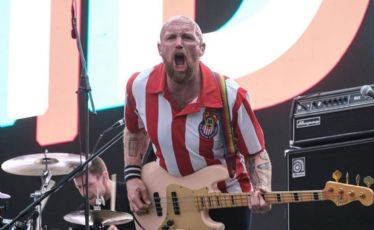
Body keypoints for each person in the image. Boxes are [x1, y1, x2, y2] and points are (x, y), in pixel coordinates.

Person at [123, 15, 272, 229]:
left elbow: (255, 153)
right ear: (160, 48)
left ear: (201, 48)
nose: (179, 43)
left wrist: (262, 186)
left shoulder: (230, 95)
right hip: (171, 205)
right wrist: (132, 177)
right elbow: (134, 131)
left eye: (187, 37)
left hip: (226, 201)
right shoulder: (139, 87)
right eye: (171, 38)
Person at [71, 157, 135, 230]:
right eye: (79, 187)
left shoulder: (131, 196)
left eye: (88, 185)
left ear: (105, 177)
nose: (84, 193)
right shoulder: (83, 213)